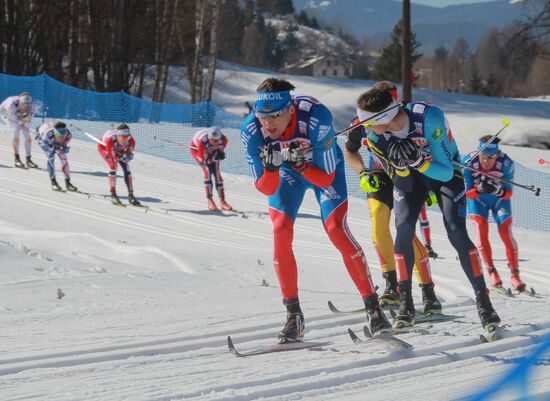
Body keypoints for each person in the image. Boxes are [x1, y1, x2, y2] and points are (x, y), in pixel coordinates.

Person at [241, 77, 390, 344]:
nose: (268, 123)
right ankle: (293, 316)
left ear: (290, 109)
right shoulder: (252, 130)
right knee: (280, 230)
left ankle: (374, 308)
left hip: (320, 171)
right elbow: (264, 188)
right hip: (288, 176)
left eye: (274, 115)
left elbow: (326, 179)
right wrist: (274, 168)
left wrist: (301, 166)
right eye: (262, 115)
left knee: (336, 230)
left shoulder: (316, 117)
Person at [356, 83, 500, 330]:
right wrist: (402, 165)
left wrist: (419, 161)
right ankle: (406, 304)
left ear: (386, 116)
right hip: (411, 178)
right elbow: (400, 180)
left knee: (455, 229)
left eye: (368, 122)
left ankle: (484, 304)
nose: (365, 128)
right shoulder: (374, 136)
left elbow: (444, 172)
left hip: (444, 172)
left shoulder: (428, 118)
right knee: (403, 228)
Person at [344, 81, 441, 314]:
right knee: (378, 221)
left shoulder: (408, 119)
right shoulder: (361, 122)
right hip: (380, 174)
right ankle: (391, 285)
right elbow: (350, 149)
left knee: (404, 229)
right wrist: (363, 173)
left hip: (408, 175)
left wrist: (431, 186)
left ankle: (428, 291)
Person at [463, 136, 526, 292]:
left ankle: (515, 275)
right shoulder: (469, 162)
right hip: (478, 201)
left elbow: (508, 194)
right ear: (479, 153)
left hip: (499, 201)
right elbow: (468, 194)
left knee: (505, 231)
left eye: (491, 158)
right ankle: (492, 272)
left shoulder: (506, 163)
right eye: (484, 157)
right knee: (481, 229)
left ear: (497, 155)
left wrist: (497, 190)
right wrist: (479, 189)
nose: (486, 161)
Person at [190, 126, 232, 211]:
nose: (214, 142)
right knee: (208, 172)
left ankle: (222, 201)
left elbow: (218, 152)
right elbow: (206, 161)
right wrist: (213, 158)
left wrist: (218, 154)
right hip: (197, 150)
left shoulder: (224, 140)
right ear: (208, 138)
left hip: (209, 152)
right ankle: (210, 200)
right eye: (212, 140)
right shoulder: (202, 143)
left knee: (217, 174)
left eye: (217, 140)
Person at [97, 123, 141, 206]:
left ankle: (131, 195)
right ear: (118, 136)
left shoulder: (131, 141)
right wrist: (117, 156)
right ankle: (113, 194)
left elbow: (128, 155)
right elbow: (113, 157)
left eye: (127, 136)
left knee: (127, 169)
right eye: (123, 137)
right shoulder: (110, 140)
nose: (125, 139)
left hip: (118, 150)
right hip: (105, 148)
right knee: (114, 167)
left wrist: (127, 157)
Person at [35, 121, 77, 192]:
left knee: (64, 159)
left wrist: (64, 147)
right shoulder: (48, 135)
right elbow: (45, 144)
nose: (61, 138)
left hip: (53, 138)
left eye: (63, 137)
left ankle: (68, 182)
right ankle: (53, 182)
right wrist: (53, 147)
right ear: (55, 134)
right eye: (59, 136)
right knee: (51, 157)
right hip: (43, 140)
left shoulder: (68, 135)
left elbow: (64, 145)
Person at [0, 92, 39, 168]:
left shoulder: (33, 106)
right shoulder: (10, 105)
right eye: (25, 104)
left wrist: (26, 120)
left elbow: (28, 121)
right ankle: (17, 159)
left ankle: (28, 160)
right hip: (5, 113)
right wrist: (23, 119)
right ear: (20, 103)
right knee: (16, 132)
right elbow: (14, 120)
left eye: (28, 105)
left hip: (18, 114)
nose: (27, 107)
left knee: (27, 136)